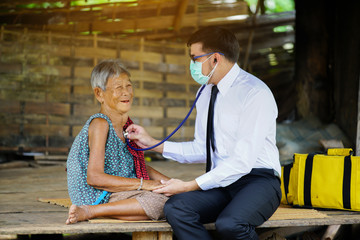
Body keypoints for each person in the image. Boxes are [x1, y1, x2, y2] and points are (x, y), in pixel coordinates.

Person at [126, 26, 282, 240]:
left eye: (195, 59)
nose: (192, 66)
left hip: (258, 182)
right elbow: (202, 147)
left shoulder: (255, 94)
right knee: (177, 209)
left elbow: (242, 162)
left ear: (215, 59)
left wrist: (189, 185)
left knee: (230, 224)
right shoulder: (206, 91)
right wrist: (152, 143)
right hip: (221, 182)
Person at [66, 59, 170, 225]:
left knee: (176, 199)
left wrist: (170, 184)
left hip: (119, 191)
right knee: (162, 203)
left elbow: (138, 166)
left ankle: (121, 210)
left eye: (128, 86)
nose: (126, 92)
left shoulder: (127, 126)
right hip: (98, 194)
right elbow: (94, 178)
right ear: (99, 94)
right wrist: (146, 185)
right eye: (118, 88)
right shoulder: (100, 124)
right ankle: (89, 211)